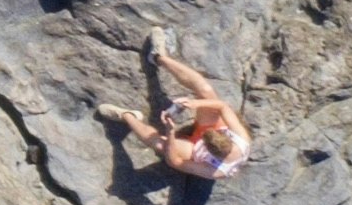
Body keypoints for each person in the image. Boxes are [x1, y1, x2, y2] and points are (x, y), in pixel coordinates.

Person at [107, 33, 252, 184]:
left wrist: (170, 133)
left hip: (193, 149)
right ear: (228, 138)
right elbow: (222, 106)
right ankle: (158, 57)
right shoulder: (242, 139)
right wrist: (195, 104)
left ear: (211, 152)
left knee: (160, 145)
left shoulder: (216, 171)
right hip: (211, 126)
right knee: (206, 90)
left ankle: (128, 116)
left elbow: (175, 162)